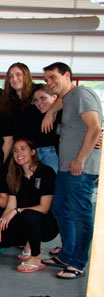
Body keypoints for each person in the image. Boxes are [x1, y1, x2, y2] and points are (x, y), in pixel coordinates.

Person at [42, 62, 101, 279]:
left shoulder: (82, 94)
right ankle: (66, 254)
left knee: (81, 215)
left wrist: (80, 159)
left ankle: (78, 263)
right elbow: (61, 101)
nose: (49, 83)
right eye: (47, 79)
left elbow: (95, 128)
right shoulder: (67, 99)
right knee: (60, 210)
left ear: (67, 75)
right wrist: (50, 112)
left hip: (80, 169)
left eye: (53, 77)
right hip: (66, 167)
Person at [0, 139, 58, 273]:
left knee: (28, 215)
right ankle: (27, 244)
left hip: (46, 225)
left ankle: (35, 257)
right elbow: (10, 207)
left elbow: (44, 208)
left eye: (23, 149)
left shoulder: (46, 172)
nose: (19, 153)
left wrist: (18, 211)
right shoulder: (14, 175)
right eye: (15, 150)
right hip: (24, 222)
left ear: (33, 152)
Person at [0, 62, 36, 142]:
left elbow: (62, 98)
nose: (14, 79)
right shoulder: (7, 99)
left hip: (40, 147)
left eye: (18, 74)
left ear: (26, 75)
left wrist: (51, 112)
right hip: (17, 148)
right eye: (11, 76)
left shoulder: (38, 91)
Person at [29, 84, 62, 173]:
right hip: (35, 155)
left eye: (43, 98)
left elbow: (68, 96)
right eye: (36, 100)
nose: (39, 103)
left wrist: (51, 112)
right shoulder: (33, 113)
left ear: (54, 97)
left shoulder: (63, 113)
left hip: (54, 155)